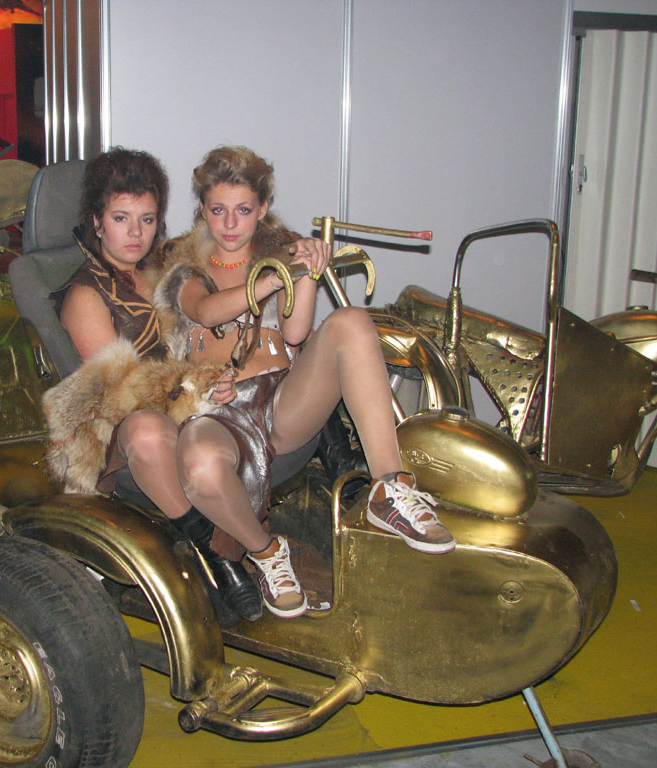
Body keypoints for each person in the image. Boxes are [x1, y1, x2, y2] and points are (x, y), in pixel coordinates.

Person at [150, 146, 456, 619]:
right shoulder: (184, 266)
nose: (229, 224)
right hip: (216, 409)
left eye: (243, 210)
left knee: (351, 322)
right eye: (217, 210)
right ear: (203, 209)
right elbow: (207, 312)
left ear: (262, 209)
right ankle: (268, 553)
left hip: (282, 401)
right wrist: (274, 277)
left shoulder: (280, 255)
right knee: (200, 465)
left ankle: (390, 489)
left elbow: (295, 333)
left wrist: (307, 268)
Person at [54, 147, 262, 621]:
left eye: (147, 219)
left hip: (187, 408)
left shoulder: (162, 271)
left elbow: (229, 240)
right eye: (121, 218)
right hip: (120, 430)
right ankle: (212, 549)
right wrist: (197, 382)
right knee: (148, 428)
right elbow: (123, 392)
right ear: (97, 222)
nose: (135, 233)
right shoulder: (86, 295)